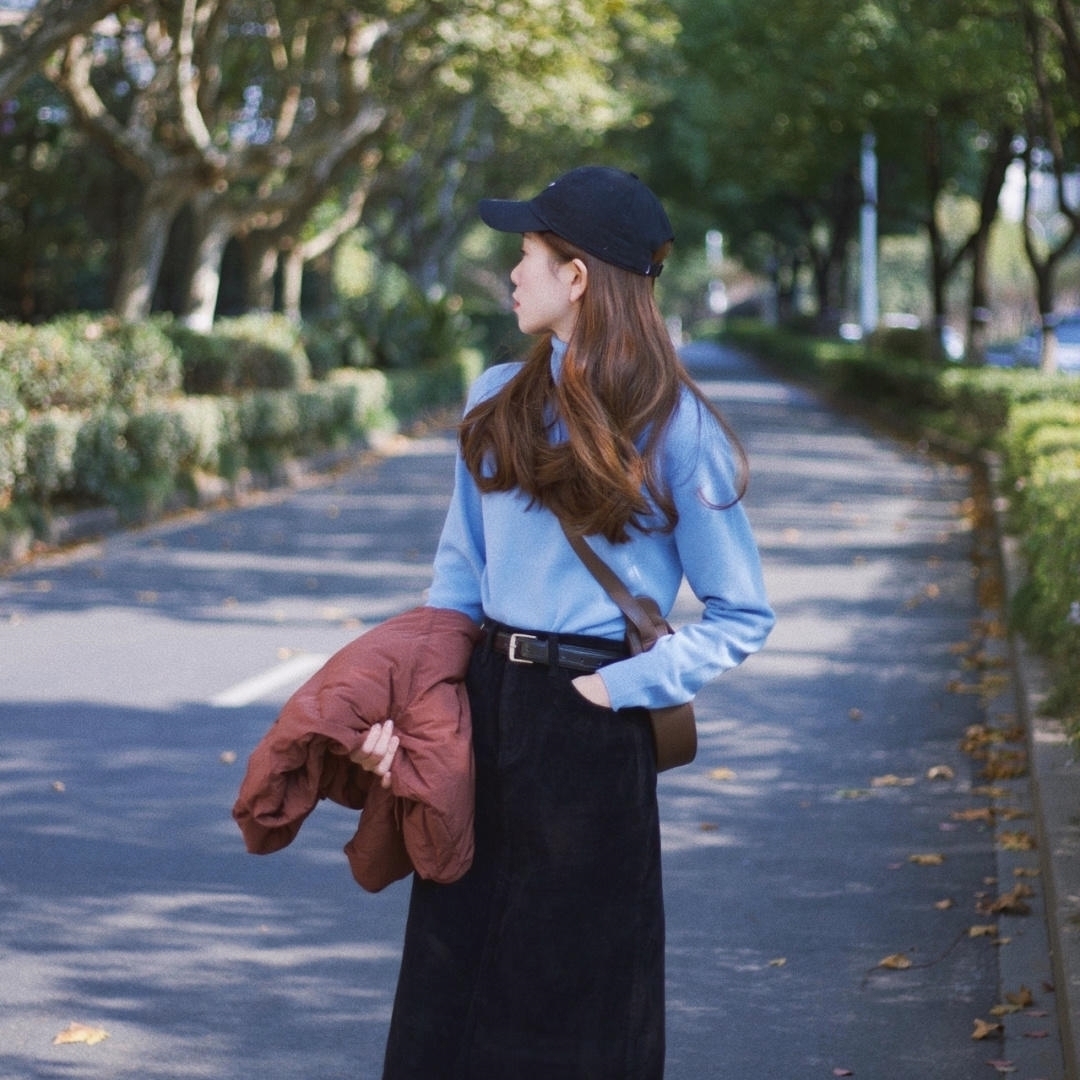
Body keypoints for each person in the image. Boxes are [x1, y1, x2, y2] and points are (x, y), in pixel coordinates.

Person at [356, 165, 774, 1079]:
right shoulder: (494, 397)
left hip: (594, 725)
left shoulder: (675, 426)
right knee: (452, 984)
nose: (513, 273)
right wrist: (417, 708)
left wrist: (617, 689)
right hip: (483, 707)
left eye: (528, 254)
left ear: (576, 275)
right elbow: (456, 581)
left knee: (579, 998)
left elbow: (742, 612)